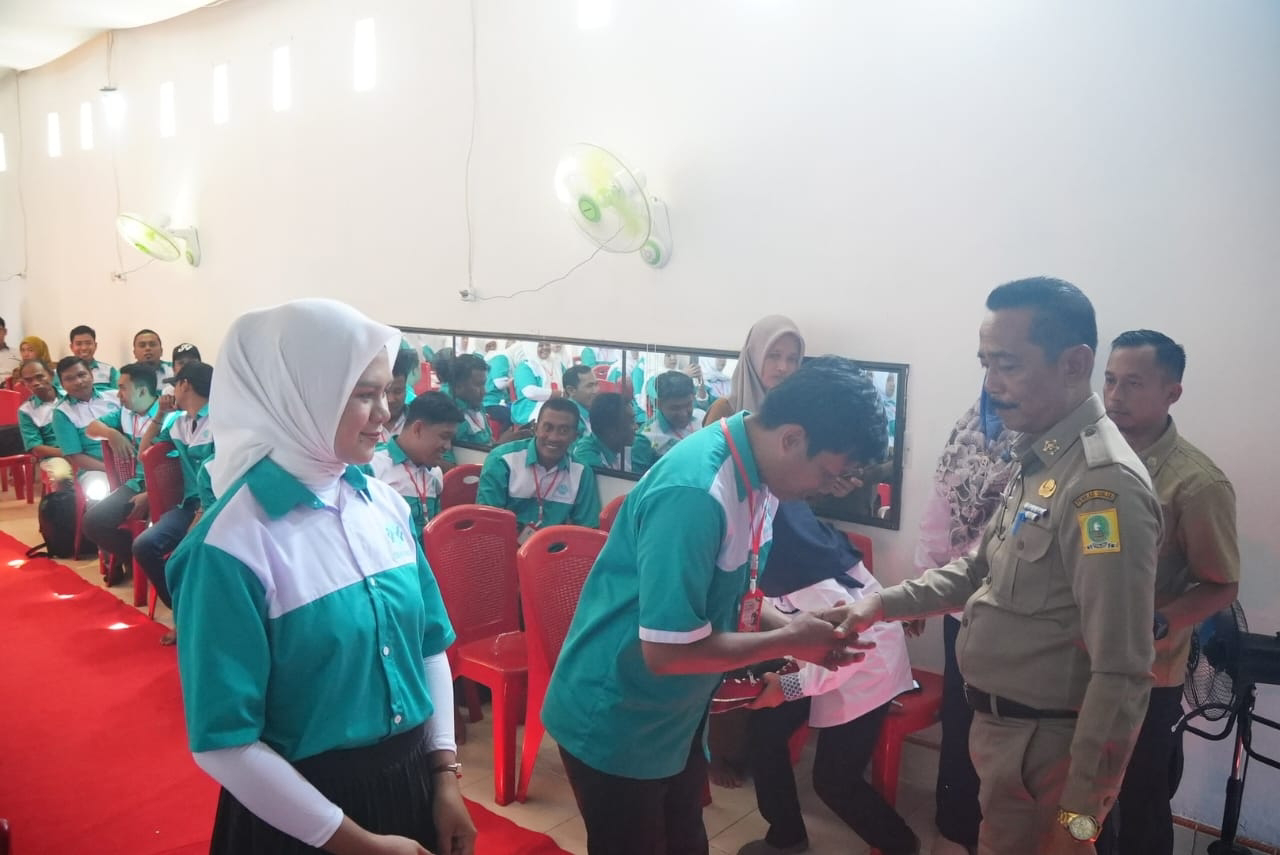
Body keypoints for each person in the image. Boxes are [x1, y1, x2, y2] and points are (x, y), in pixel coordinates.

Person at [832, 277, 1162, 855]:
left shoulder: (1102, 488)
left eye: (1007, 365)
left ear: (1074, 363)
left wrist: (1079, 819)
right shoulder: (1041, 458)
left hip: (1048, 756)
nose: (991, 385)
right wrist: (878, 605)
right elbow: (976, 571)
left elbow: (1123, 670)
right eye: (985, 365)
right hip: (1008, 740)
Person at [166, 298, 476, 855]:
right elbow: (224, 743)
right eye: (364, 395)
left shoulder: (384, 504)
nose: (386, 413)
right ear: (300, 396)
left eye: (387, 392)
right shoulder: (229, 545)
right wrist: (360, 844)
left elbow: (427, 646)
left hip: (410, 779)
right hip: (303, 814)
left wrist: (444, 774)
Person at [542, 357, 886, 855]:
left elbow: (735, 593)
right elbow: (667, 652)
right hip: (618, 715)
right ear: (792, 438)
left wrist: (794, 624)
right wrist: (790, 639)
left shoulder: (760, 476)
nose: (824, 489)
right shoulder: (697, 493)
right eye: (827, 474)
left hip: (675, 715)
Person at [1095, 330, 1239, 855]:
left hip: (1146, 677)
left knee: (1138, 804)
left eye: (1133, 384)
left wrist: (1156, 623)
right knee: (1079, 802)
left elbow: (1221, 584)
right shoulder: (1089, 456)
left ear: (1171, 393)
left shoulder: (1196, 484)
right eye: (1110, 380)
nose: (1115, 396)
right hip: (1076, 663)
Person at [738, 500, 919, 855]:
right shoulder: (792, 546)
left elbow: (844, 654)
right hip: (824, 660)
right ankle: (786, 835)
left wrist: (787, 687)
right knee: (765, 728)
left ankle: (901, 845)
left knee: (834, 780)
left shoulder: (813, 582)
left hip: (866, 671)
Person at [913, 390, 1017, 854]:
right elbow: (937, 513)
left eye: (1009, 364)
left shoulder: (1049, 441)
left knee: (1005, 725)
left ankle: (996, 834)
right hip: (960, 607)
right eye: (990, 365)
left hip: (1016, 615)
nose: (999, 380)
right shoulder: (967, 429)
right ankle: (955, 825)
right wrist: (923, 590)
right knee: (960, 716)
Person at [134, 361, 215, 645]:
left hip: (218, 506)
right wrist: (160, 414)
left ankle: (197, 618)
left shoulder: (221, 420)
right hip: (189, 506)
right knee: (145, 546)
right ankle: (183, 612)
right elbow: (145, 454)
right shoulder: (178, 423)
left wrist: (203, 513)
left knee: (185, 556)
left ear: (185, 385)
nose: (172, 392)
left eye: (175, 385)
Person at [82, 363, 160, 585]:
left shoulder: (169, 415)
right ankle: (138, 561)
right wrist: (111, 433)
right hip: (136, 484)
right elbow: (91, 429)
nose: (118, 394)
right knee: (93, 522)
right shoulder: (125, 413)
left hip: (164, 487)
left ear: (142, 391)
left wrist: (151, 494)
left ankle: (148, 563)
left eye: (123, 388)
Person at [476, 397, 601, 535]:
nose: (553, 437)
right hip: (504, 543)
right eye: (547, 428)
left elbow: (587, 530)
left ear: (575, 437)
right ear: (535, 429)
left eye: (563, 431)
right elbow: (487, 523)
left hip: (555, 547)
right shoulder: (502, 460)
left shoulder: (582, 472)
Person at [369, 392, 463, 533]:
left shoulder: (435, 474)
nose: (447, 446)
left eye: (451, 439)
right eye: (444, 436)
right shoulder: (373, 466)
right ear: (418, 429)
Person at [703, 316, 804, 426]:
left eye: (792, 359)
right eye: (774, 356)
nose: (783, 367)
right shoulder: (724, 410)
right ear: (754, 357)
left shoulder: (798, 412)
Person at [51, 356, 121, 474]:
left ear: (91, 376)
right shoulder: (62, 413)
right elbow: (75, 456)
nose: (78, 382)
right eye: (69, 379)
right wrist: (111, 471)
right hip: (95, 470)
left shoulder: (115, 396)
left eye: (81, 375)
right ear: (62, 385)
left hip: (131, 463)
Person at [571, 392, 654, 475]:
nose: (636, 427)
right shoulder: (587, 456)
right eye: (631, 422)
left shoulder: (639, 443)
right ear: (610, 430)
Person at [640, 371, 707, 458]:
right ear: (658, 404)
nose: (683, 414)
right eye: (675, 408)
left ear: (693, 397)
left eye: (688, 405)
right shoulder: (646, 436)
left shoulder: (703, 418)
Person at [16, 360, 63, 461]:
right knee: (60, 470)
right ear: (24, 384)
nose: (35, 383)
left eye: (40, 377)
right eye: (28, 380)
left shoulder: (70, 396)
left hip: (85, 450)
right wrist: (70, 453)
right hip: (56, 456)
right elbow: (36, 448)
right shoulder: (26, 411)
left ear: (51, 375)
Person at [511, 341, 560, 425]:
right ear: (531, 347)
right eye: (540, 345)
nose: (545, 347)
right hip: (530, 407)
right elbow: (530, 392)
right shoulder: (525, 366)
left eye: (547, 344)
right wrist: (557, 394)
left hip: (556, 403)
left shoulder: (557, 364)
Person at [378, 348, 418, 445]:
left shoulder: (416, 421)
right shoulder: (363, 424)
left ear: (406, 388)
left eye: (398, 391)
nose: (390, 399)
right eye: (385, 392)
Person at [70, 324, 120, 391]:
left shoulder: (109, 371)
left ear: (95, 345)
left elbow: (117, 395)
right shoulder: (62, 373)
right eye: (79, 344)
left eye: (88, 343)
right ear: (71, 347)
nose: (84, 348)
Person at [562, 365, 599, 437]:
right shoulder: (567, 418)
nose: (596, 391)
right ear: (571, 390)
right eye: (589, 386)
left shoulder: (593, 409)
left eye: (596, 384)